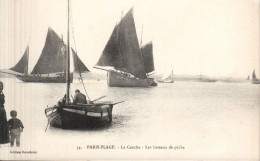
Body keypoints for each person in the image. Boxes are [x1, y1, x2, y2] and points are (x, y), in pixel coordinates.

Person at [0, 81, 9, 146]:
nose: (1, 88)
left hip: (2, 111)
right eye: (0, 86)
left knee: (2, 125)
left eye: (2, 86)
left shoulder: (2, 94)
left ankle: (3, 140)